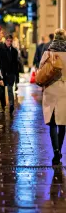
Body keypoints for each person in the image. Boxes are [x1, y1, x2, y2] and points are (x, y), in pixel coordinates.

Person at [40, 28, 66, 165]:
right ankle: (59, 150)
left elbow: (41, 71)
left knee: (52, 123)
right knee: (63, 123)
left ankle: (56, 151)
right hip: (65, 91)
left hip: (51, 89)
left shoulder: (48, 52)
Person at [0, 34, 19, 115]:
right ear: (5, 40)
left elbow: (16, 64)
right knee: (2, 91)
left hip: (11, 73)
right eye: (8, 41)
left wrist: (17, 77)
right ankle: (3, 107)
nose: (9, 42)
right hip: (3, 74)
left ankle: (11, 105)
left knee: (10, 90)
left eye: (11, 41)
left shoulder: (14, 51)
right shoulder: (0, 49)